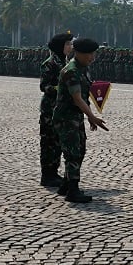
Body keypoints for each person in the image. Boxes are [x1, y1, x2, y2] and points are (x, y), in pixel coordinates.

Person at [53, 38, 109, 203]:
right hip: (65, 118)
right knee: (73, 153)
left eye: (93, 54)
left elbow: (85, 96)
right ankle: (73, 190)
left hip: (75, 117)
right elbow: (77, 98)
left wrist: (89, 116)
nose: (92, 57)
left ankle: (66, 184)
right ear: (78, 53)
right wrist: (92, 117)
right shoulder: (71, 70)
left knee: (79, 150)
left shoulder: (83, 68)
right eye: (88, 54)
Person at [39, 33, 74, 187]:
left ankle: (54, 172)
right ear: (60, 46)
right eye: (68, 44)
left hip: (61, 108)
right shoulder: (50, 63)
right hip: (50, 110)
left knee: (58, 143)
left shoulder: (65, 62)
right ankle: (47, 175)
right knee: (49, 142)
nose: (70, 47)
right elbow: (43, 86)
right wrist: (61, 89)